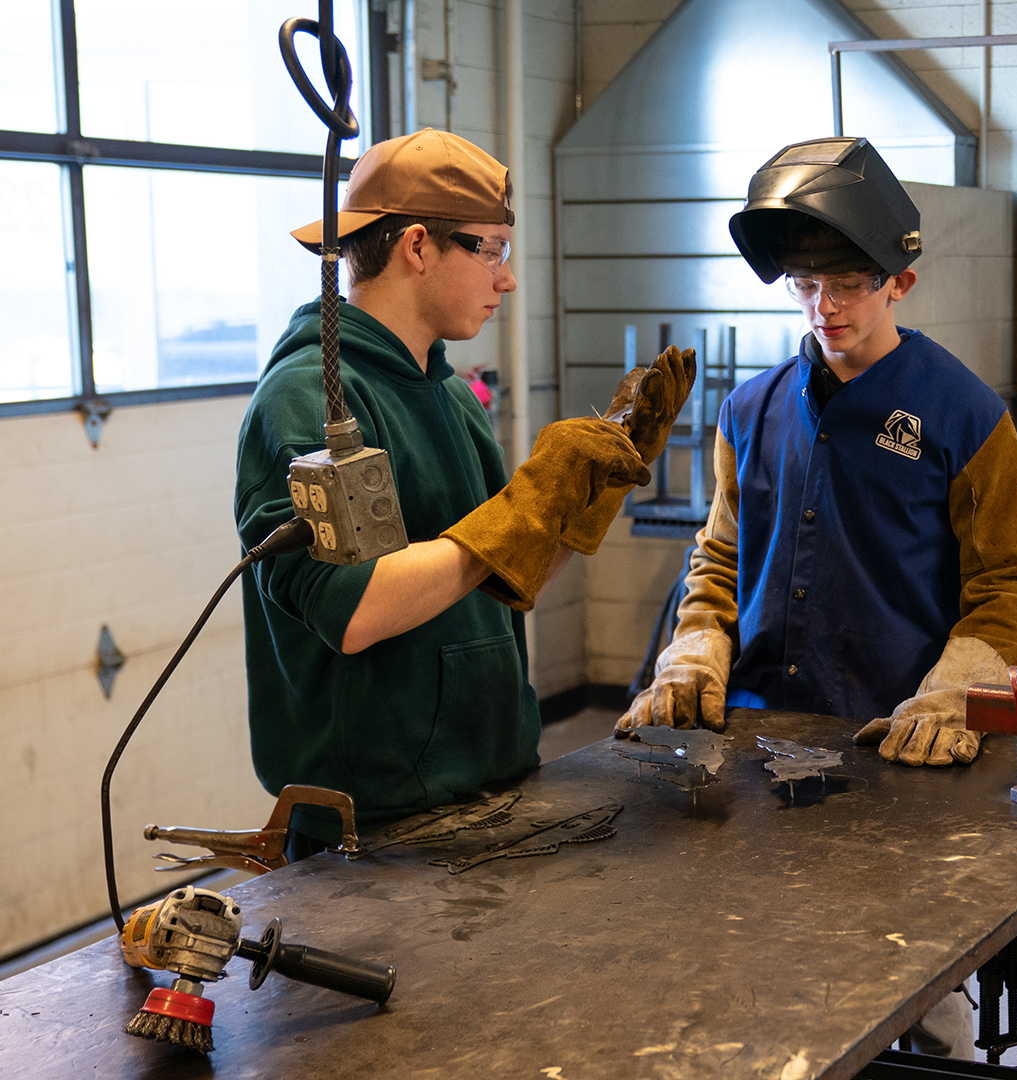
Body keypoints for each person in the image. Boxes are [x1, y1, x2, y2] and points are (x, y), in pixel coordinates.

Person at [615, 136, 1017, 1054]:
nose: (826, 305)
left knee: (916, 986)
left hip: (897, 742)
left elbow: (1007, 585)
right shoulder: (749, 411)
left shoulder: (966, 416)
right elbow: (721, 557)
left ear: (901, 281)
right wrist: (695, 650)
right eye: (808, 284)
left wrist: (956, 687)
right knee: (763, 969)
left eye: (849, 281)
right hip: (761, 740)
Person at [235, 128, 691, 854]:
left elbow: (502, 578)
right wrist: (522, 508)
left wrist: (581, 501)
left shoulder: (449, 395)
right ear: (417, 246)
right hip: (372, 832)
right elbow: (354, 609)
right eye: (493, 250)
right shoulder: (310, 401)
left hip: (493, 791)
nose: (506, 280)